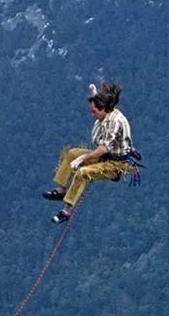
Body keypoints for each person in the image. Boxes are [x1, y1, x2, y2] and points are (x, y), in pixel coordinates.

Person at [43, 80, 134, 224]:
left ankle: (67, 210)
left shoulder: (115, 123)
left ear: (103, 109)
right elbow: (100, 102)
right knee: (72, 153)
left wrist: (83, 158)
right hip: (104, 157)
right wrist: (94, 93)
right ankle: (61, 189)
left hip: (115, 164)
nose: (92, 115)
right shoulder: (106, 111)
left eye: (94, 112)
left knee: (83, 172)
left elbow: (104, 148)